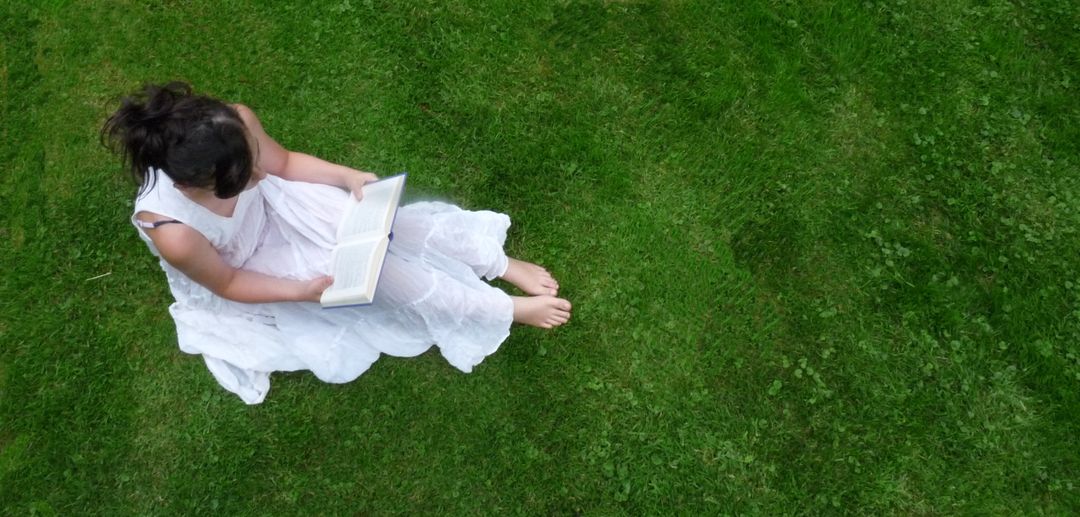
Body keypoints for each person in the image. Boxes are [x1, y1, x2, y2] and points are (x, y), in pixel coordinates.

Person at [103, 82, 572, 404]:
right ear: (193, 188)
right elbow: (228, 281)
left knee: (391, 225)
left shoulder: (232, 124)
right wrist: (301, 292)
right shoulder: (175, 233)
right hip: (254, 259)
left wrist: (346, 177)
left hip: (283, 207)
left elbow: (282, 167)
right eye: (244, 177)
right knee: (380, 276)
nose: (258, 173)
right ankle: (500, 310)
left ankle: (495, 261)